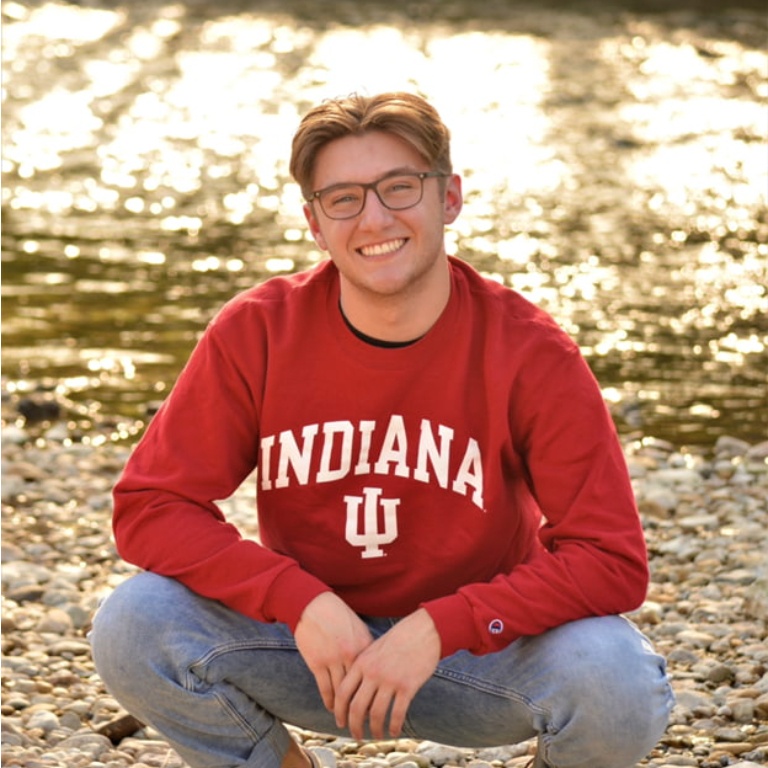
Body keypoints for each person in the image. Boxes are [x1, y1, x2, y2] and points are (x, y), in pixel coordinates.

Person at [90, 91, 674, 768]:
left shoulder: (530, 352)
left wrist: (438, 626)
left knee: (617, 682)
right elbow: (151, 506)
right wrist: (299, 601)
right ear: (314, 222)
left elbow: (611, 560)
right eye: (342, 198)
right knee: (135, 624)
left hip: (474, 660)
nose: (374, 218)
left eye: (400, 187)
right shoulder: (258, 333)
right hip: (312, 652)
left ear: (448, 197)